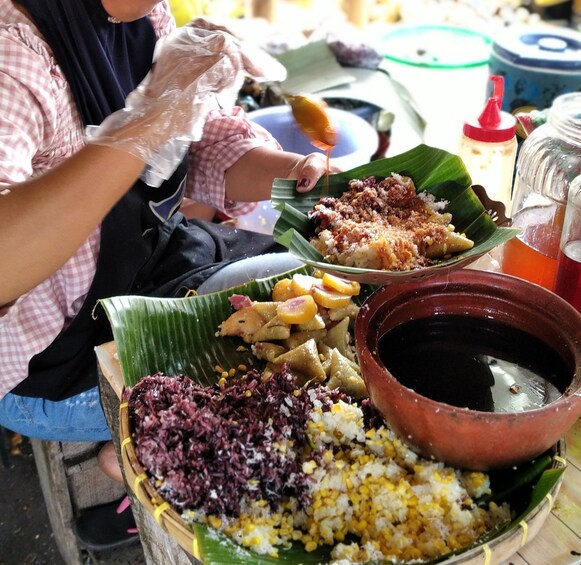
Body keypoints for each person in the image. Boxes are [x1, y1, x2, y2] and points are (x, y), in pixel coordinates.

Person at [0, 0, 333, 549]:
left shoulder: (143, 16)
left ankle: (153, 451)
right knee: (284, 385)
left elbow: (195, 143)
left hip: (150, 264)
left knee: (312, 286)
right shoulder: (15, 53)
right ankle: (155, 466)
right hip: (54, 364)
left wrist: (292, 177)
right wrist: (149, 115)